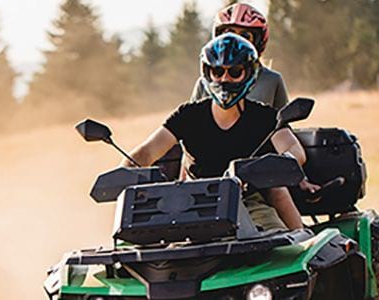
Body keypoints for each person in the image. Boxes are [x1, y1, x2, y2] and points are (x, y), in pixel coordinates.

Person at [123, 34, 310, 231]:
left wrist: (262, 166)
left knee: (278, 246)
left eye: (235, 72)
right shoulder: (188, 116)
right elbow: (147, 152)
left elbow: (295, 150)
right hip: (194, 206)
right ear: (207, 72)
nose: (224, 79)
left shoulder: (264, 117)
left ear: (249, 73)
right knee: (169, 256)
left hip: (250, 204)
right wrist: (123, 172)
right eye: (217, 71)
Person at [190, 3, 288, 109]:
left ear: (258, 42)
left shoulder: (272, 80)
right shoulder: (206, 82)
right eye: (229, 33)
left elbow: (283, 122)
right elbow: (191, 120)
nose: (235, 40)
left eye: (245, 36)